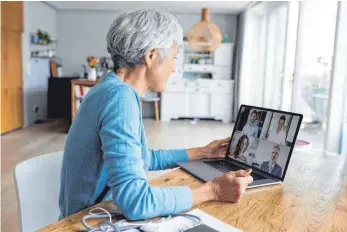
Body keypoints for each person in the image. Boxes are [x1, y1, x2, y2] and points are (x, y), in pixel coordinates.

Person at [58, 10, 253, 220]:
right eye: (173, 57)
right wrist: (213, 191)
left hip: (91, 214)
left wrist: (203, 152)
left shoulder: (108, 87)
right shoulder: (119, 97)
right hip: (88, 222)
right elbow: (136, 202)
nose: (174, 68)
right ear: (151, 56)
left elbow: (142, 158)